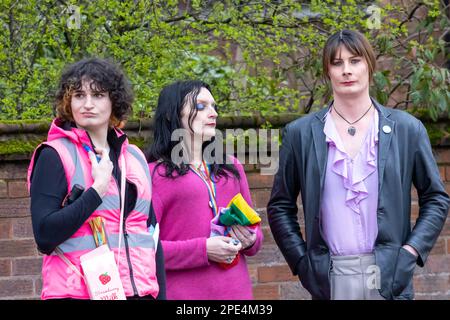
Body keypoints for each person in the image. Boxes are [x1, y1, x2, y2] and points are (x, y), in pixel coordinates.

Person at [267, 29, 449, 300]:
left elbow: (436, 198)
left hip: (389, 274)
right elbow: (280, 206)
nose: (346, 71)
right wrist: (303, 263)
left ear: (369, 66)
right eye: (337, 63)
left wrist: (410, 252)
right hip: (330, 277)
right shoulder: (301, 134)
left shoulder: (407, 129)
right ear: (327, 72)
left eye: (355, 61)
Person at [28, 58, 166, 300]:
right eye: (79, 95)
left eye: (98, 95)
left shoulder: (134, 158)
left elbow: (151, 235)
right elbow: (44, 236)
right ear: (68, 102)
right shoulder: (54, 155)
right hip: (77, 293)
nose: (87, 104)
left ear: (115, 102)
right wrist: (96, 191)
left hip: (139, 293)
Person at [147, 80, 263, 299]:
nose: (213, 113)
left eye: (214, 107)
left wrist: (250, 240)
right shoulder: (154, 174)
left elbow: (256, 236)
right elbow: (144, 248)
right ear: (172, 114)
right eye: (201, 106)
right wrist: (203, 250)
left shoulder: (231, 167)